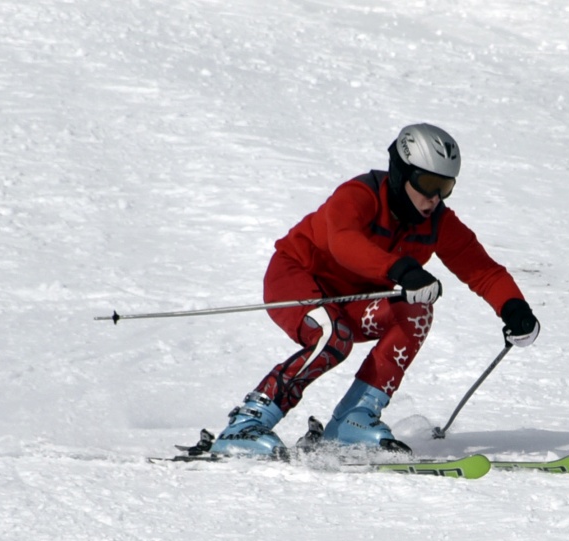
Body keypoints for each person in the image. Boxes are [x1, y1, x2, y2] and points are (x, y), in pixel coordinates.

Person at [208, 122, 541, 457]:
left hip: (354, 301)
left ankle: (353, 420)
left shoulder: (438, 222)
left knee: (415, 311)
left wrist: (514, 308)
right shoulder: (360, 195)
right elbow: (344, 242)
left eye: (445, 186)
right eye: (428, 183)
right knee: (332, 335)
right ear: (401, 172)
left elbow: (483, 271)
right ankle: (246, 423)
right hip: (296, 278)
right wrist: (401, 269)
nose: (435, 197)